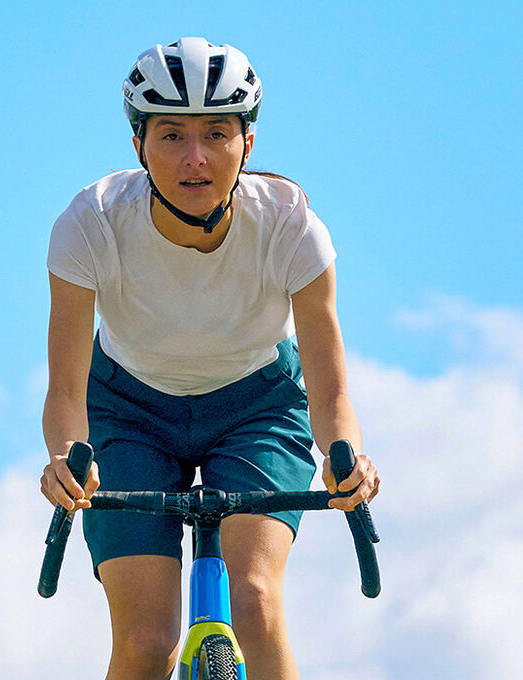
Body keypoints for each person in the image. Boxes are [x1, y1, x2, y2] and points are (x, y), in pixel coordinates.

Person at [40, 37, 380, 680]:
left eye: (216, 134)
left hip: (258, 409)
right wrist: (64, 459)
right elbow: (65, 392)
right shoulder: (89, 224)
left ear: (246, 143)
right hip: (126, 410)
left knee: (254, 604)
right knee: (145, 642)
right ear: (139, 145)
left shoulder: (292, 227)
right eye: (171, 135)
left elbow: (332, 394)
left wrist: (349, 460)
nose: (194, 158)